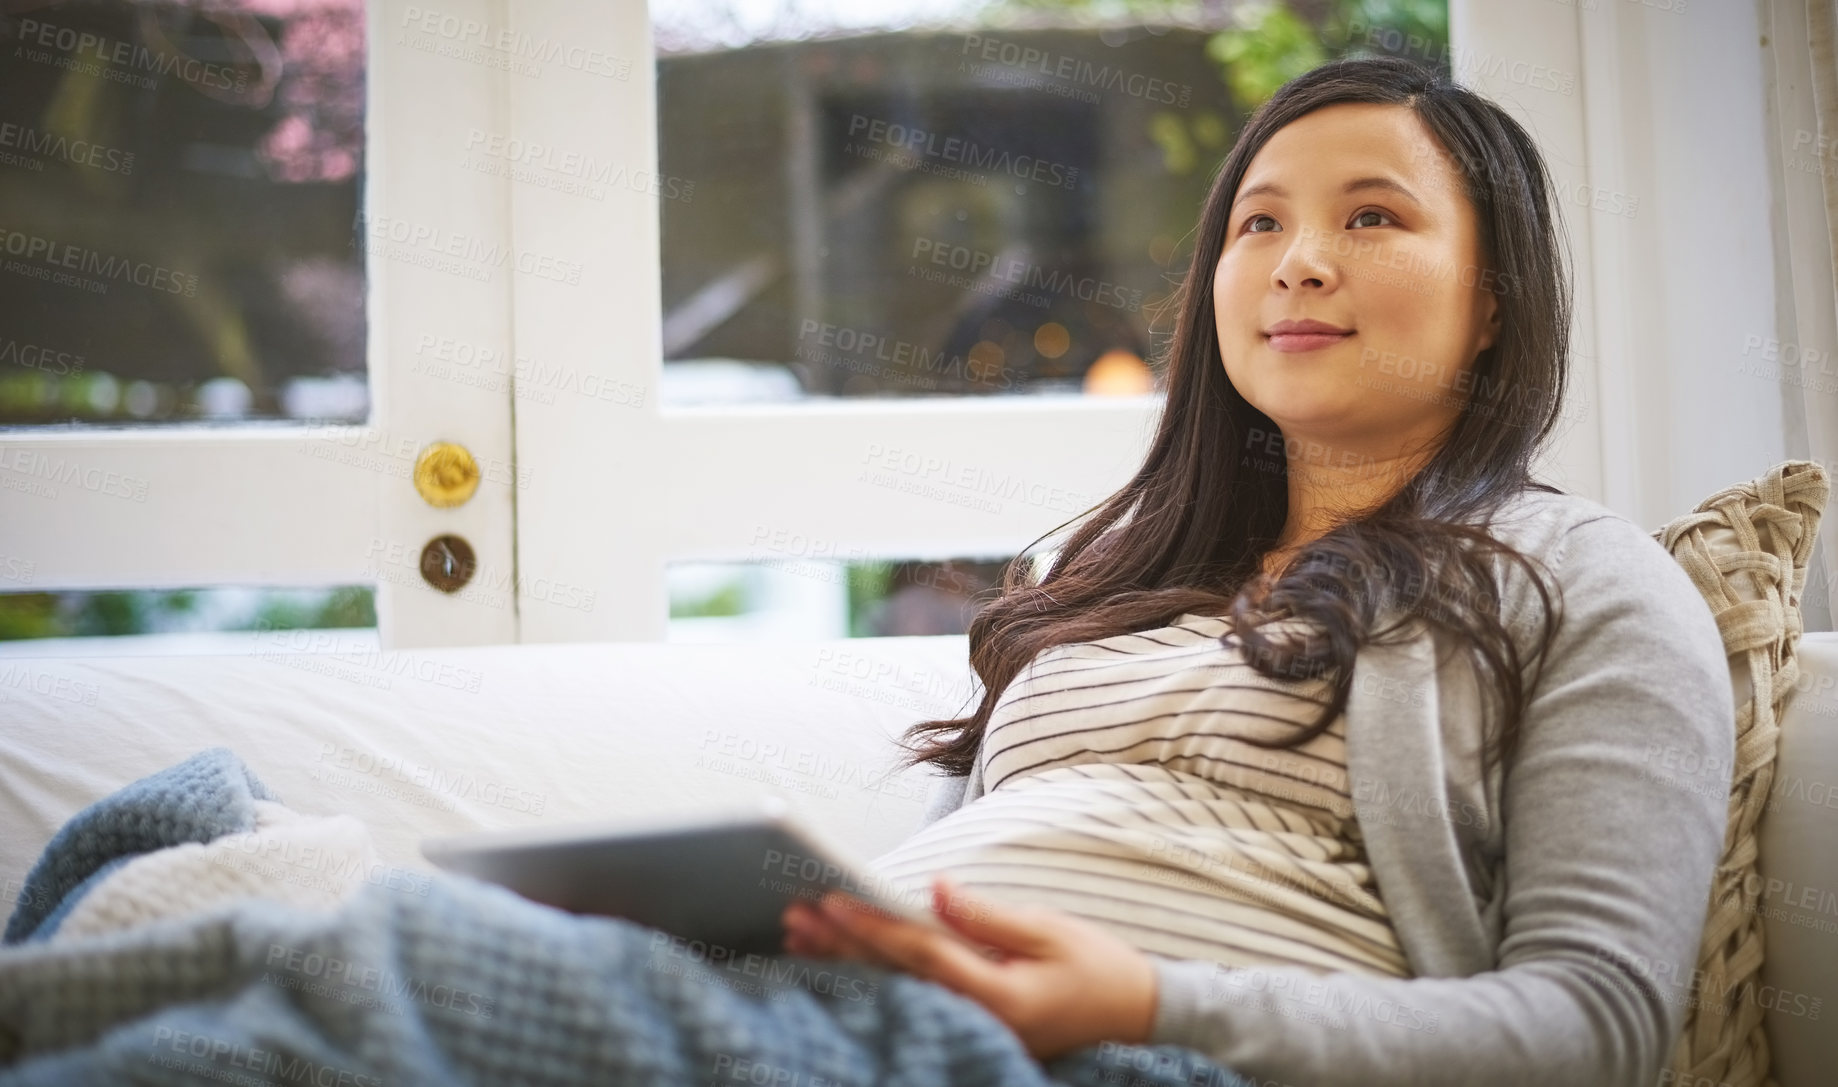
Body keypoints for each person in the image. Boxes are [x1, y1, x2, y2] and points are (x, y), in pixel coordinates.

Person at [781, 54, 1734, 1087]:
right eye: (1259, 223)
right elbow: (956, 873)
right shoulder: (1099, 577)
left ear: (1493, 299)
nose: (1299, 262)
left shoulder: (1584, 580)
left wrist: (1152, 1002)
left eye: (1371, 217)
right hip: (864, 1031)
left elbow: (1596, 1028)